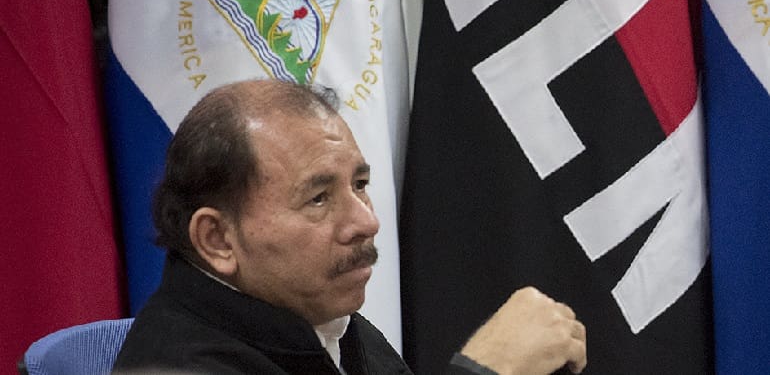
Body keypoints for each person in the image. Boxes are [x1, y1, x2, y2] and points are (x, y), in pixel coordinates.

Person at [112, 79, 587, 375]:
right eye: (318, 198)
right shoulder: (176, 362)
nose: (366, 221)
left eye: (359, 184)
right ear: (217, 239)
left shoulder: (325, 328)